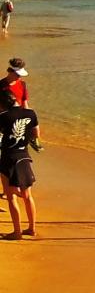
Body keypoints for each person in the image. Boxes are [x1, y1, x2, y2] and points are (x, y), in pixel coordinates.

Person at [0, 89, 39, 240]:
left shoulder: (2, 117)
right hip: (24, 156)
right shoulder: (31, 113)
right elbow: (36, 134)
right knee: (28, 196)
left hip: (8, 158)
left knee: (11, 198)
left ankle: (17, 232)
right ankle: (32, 229)